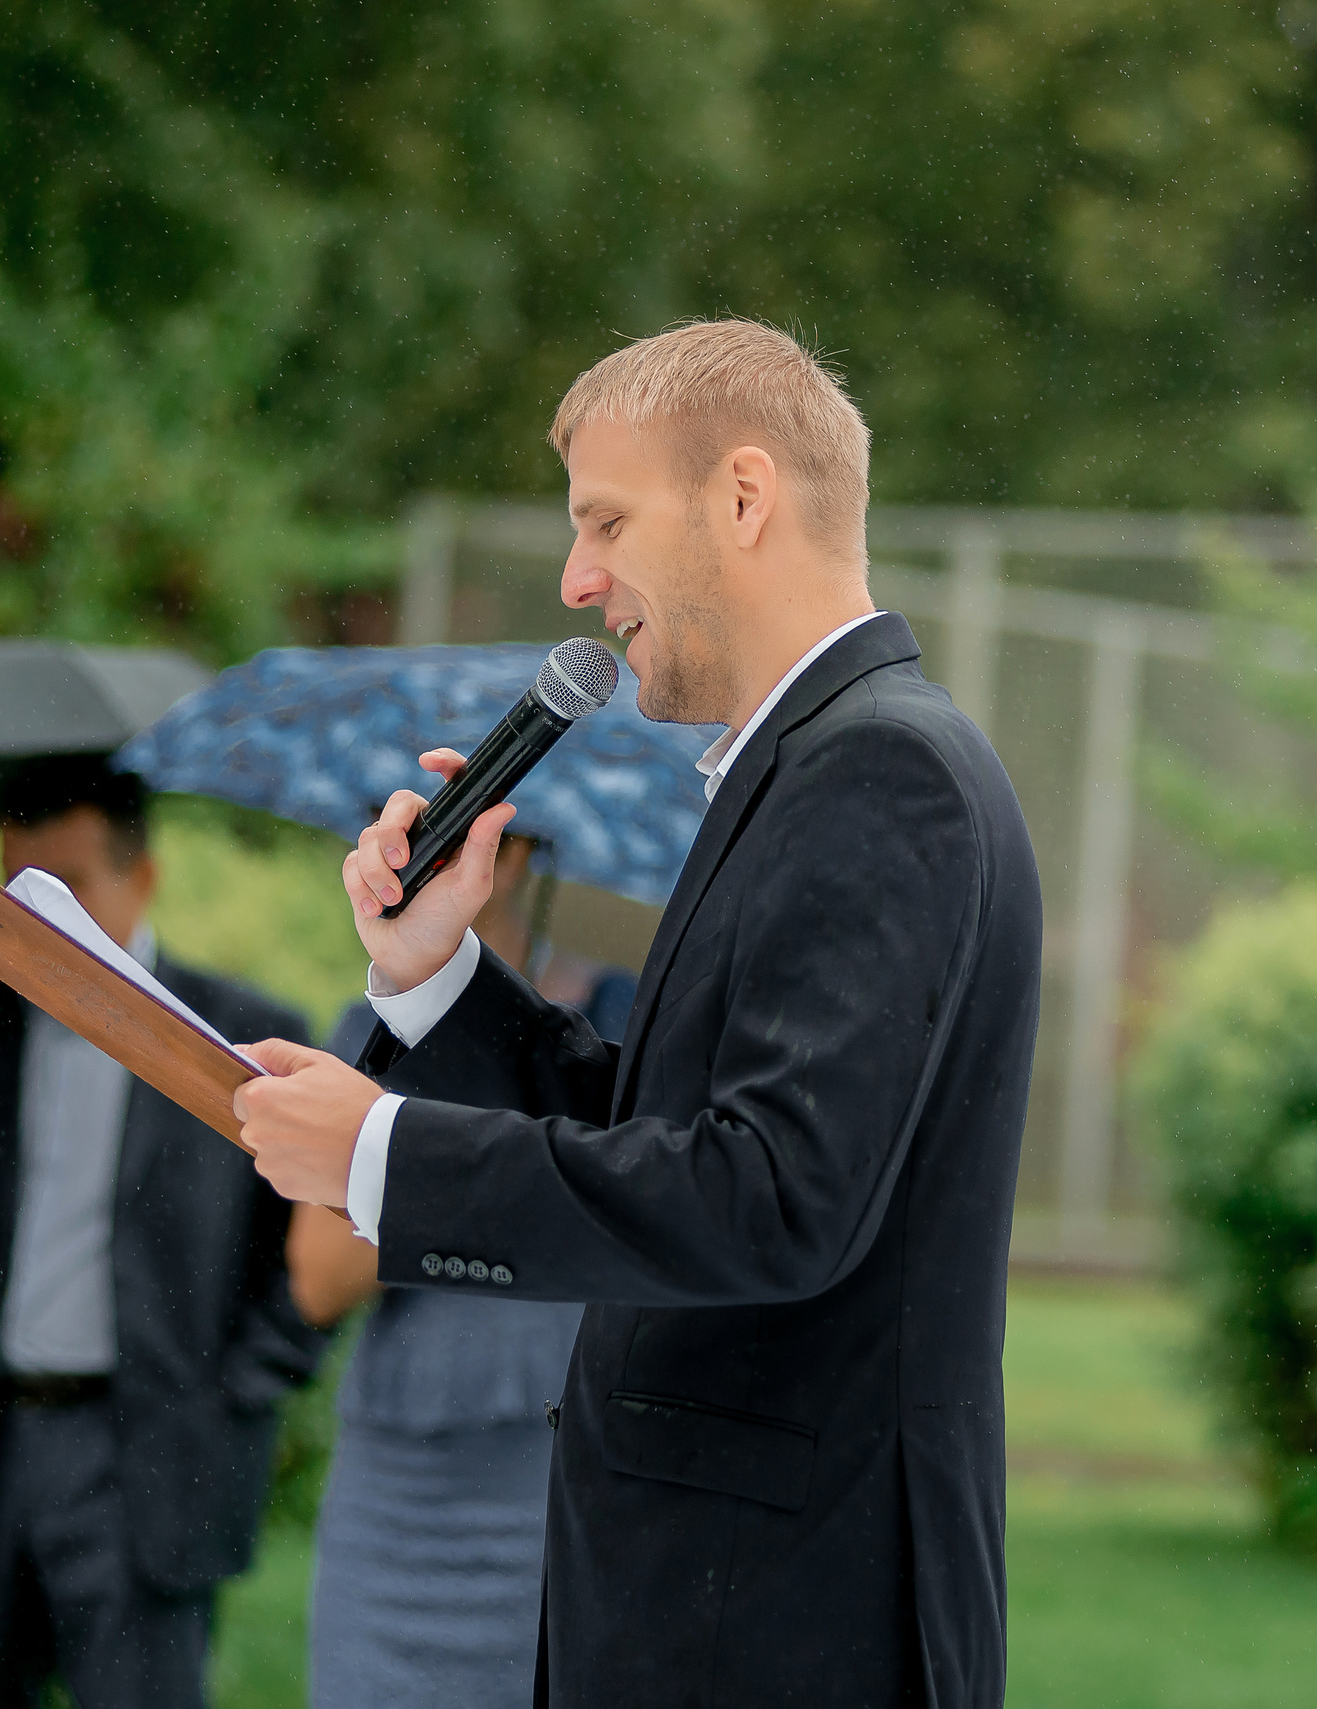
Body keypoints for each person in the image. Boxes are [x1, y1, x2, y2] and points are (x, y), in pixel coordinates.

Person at [233, 318, 1045, 1707]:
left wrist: (383, 1154)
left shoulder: (878, 776)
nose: (578, 577)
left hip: (784, 1628)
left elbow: (771, 1196)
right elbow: (670, 1127)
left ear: (742, 497)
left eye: (606, 520)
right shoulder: (808, 766)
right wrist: (438, 978)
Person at [0, 759, 325, 1709]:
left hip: (147, 1458)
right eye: (23, 889)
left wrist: (239, 1388)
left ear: (144, 878)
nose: (45, 920)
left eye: (72, 888)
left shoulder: (244, 1040)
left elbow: (299, 1256)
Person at [288, 833, 612, 1709]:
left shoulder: (617, 1025)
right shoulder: (373, 1030)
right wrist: (438, 1133)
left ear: (515, 858)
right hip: (401, 1485)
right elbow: (317, 1277)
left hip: (557, 1472)